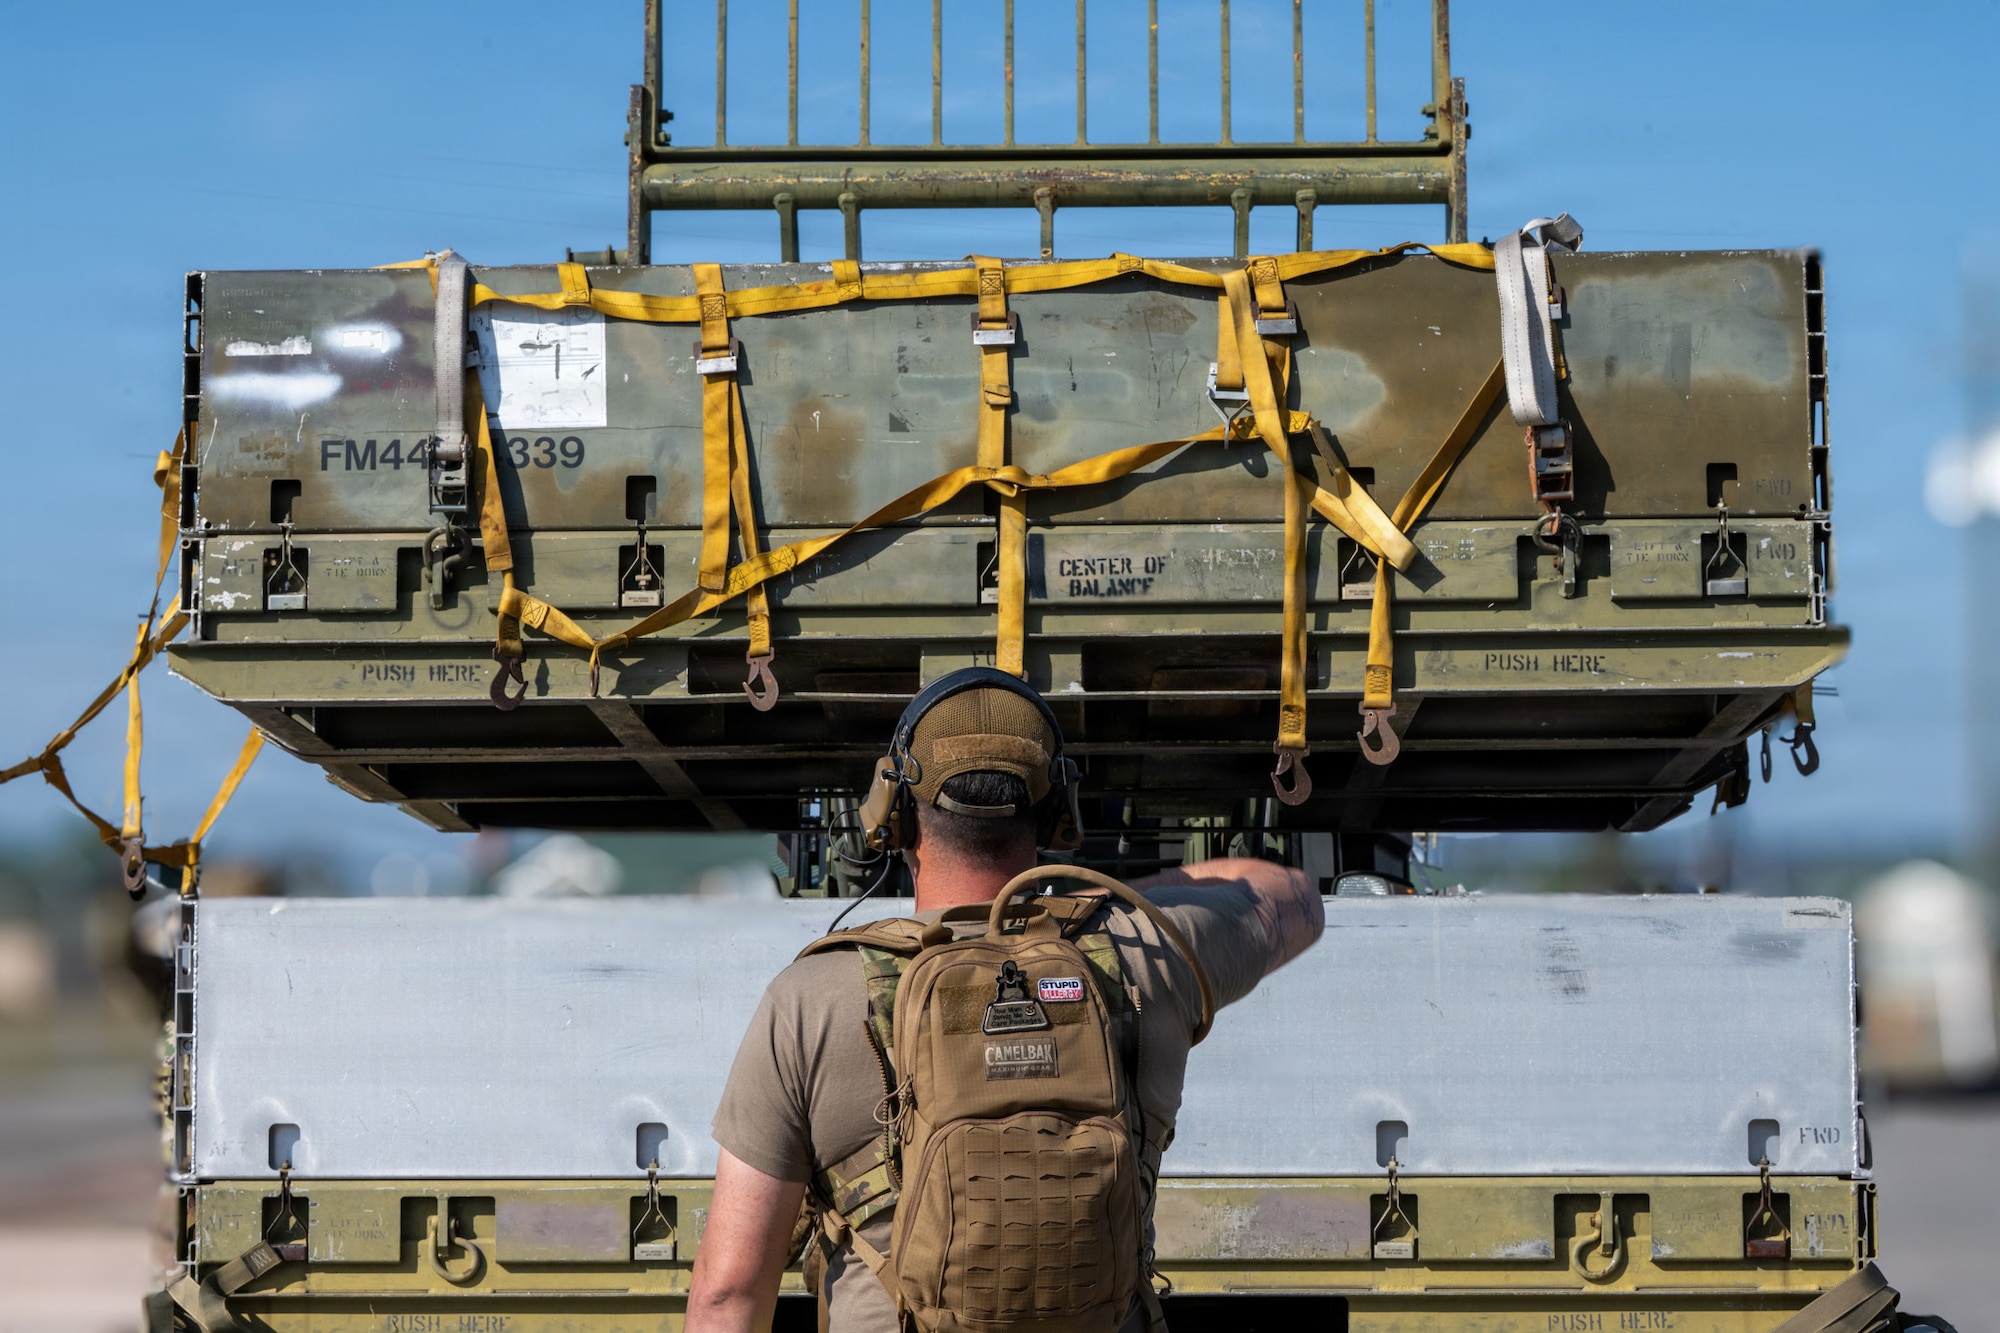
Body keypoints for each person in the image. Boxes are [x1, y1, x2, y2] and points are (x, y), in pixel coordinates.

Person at [688, 668, 1324, 1333]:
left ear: (894, 815)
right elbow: (1292, 900)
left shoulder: (811, 999)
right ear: (1058, 812)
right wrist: (1117, 906)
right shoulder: (1148, 954)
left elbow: (728, 1295)